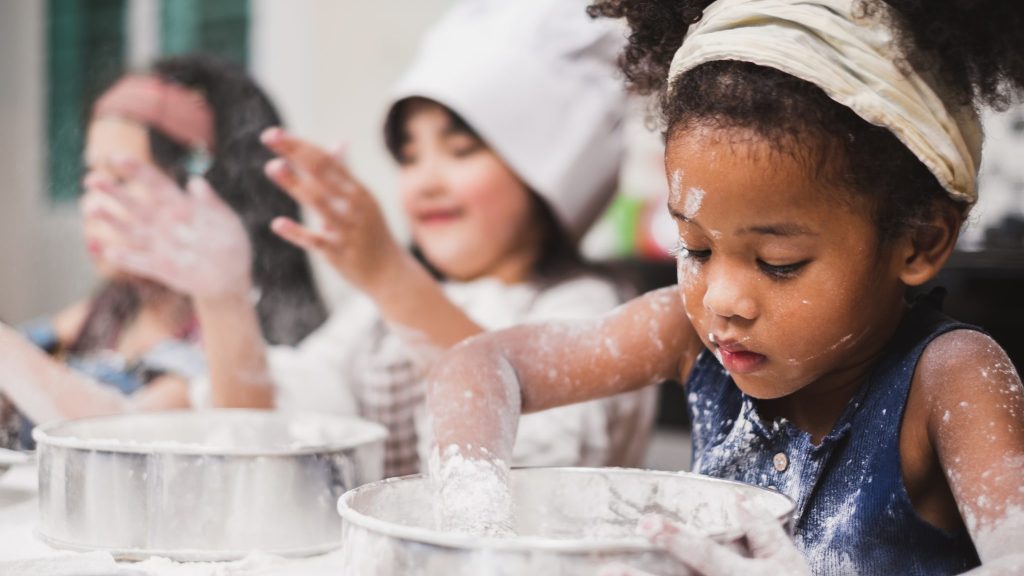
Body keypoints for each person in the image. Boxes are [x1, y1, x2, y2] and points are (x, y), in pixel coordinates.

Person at [425, 0, 1024, 573]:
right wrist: (475, 513)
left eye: (778, 262)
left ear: (918, 243)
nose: (720, 300)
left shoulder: (951, 379)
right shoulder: (687, 335)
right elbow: (482, 364)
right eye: (697, 248)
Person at [93, 0, 656, 478]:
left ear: (545, 172)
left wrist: (389, 274)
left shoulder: (590, 310)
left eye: (461, 150)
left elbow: (535, 471)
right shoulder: (373, 319)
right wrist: (222, 299)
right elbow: (272, 434)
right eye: (409, 156)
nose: (425, 181)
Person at [0, 55, 326, 448]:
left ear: (205, 195)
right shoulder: (110, 310)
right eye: (91, 177)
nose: (93, 205)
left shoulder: (231, 342)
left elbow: (124, 438)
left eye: (121, 179)